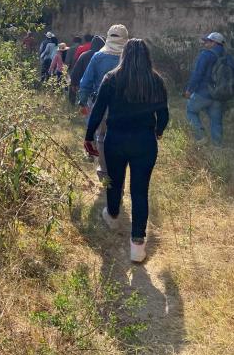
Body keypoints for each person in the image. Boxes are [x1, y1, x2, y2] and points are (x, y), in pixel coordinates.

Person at [84, 39, 169, 263]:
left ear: (124, 54)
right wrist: (158, 131)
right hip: (144, 142)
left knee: (114, 182)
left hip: (116, 139)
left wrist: (89, 136)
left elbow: (98, 111)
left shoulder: (112, 78)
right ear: (147, 56)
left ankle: (112, 214)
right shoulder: (156, 80)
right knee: (140, 192)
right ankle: (138, 246)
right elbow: (164, 115)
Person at [79, 25, 129, 181]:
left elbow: (85, 81)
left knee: (101, 137)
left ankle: (104, 171)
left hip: (101, 105)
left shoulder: (98, 57)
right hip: (125, 107)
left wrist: (82, 101)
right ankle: (118, 170)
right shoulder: (129, 58)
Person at [185, 32, 232, 147]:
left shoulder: (206, 55)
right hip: (219, 95)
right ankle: (218, 146)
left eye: (207, 41)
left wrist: (189, 89)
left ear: (214, 43)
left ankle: (200, 136)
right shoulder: (228, 57)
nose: (205, 43)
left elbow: (197, 73)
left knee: (191, 111)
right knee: (216, 120)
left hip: (203, 93)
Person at [65, 36, 82, 104]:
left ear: (74, 41)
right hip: (82, 70)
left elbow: (67, 61)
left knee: (72, 86)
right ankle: (80, 102)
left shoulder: (71, 48)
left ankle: (72, 102)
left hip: (73, 70)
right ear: (80, 42)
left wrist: (65, 71)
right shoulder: (83, 48)